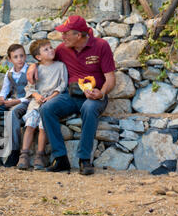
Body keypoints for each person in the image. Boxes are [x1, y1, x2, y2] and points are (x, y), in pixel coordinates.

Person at [26, 15, 116, 175]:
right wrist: (32, 65)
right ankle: (60, 158)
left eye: (66, 34)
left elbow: (110, 79)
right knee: (46, 109)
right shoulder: (62, 49)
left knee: (89, 108)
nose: (62, 37)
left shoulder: (101, 46)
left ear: (79, 35)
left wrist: (101, 93)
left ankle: (84, 160)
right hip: (70, 95)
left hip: (94, 96)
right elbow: (45, 59)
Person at [17, 39, 68, 170]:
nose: (51, 50)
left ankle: (40, 155)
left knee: (43, 127)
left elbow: (63, 85)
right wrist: (36, 95)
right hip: (36, 103)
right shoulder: (36, 68)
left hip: (51, 101)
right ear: (38, 57)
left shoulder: (60, 66)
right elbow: (30, 87)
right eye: (46, 49)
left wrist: (52, 97)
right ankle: (24, 154)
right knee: (30, 125)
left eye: (51, 47)